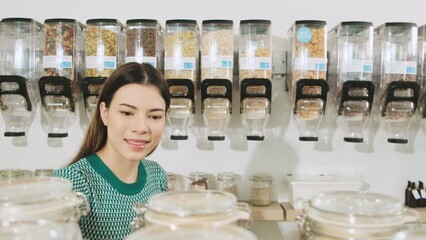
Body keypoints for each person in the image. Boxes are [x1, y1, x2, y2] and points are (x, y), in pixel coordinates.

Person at [53, 62, 171, 240]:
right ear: (105, 113)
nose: (141, 128)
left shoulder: (157, 176)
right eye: (126, 113)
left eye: (155, 116)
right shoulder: (73, 182)